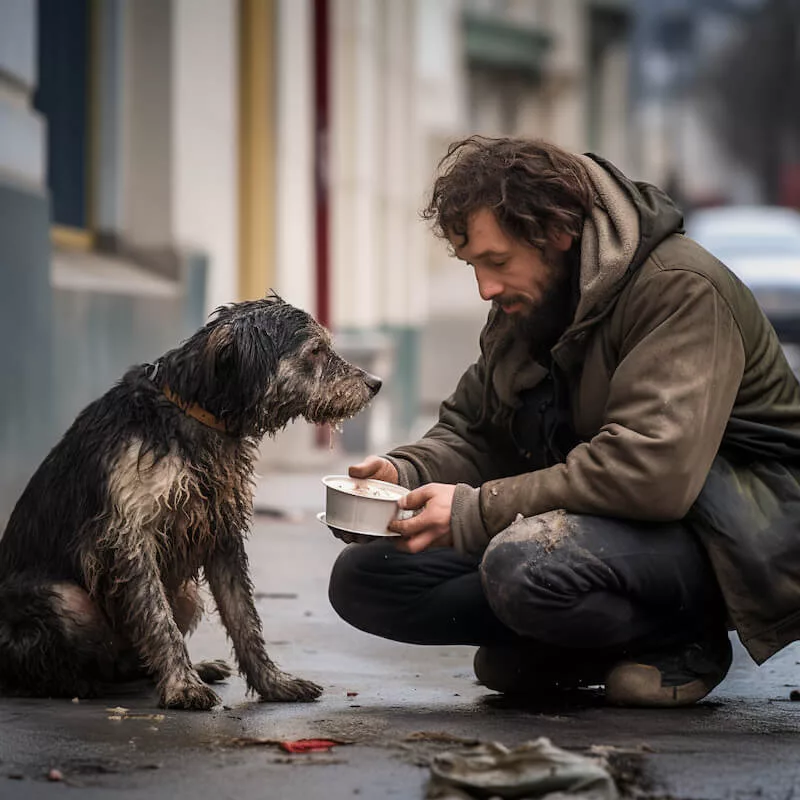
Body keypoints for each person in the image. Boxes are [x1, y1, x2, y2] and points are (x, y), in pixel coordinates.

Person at [328, 136, 800, 707]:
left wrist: (475, 512)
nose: (486, 287)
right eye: (473, 264)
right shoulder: (530, 300)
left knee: (524, 565)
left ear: (557, 233)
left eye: (497, 262)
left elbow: (651, 473)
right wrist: (403, 477)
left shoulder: (679, 289)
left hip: (736, 532)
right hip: (611, 525)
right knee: (367, 576)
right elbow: (474, 429)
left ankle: (680, 639)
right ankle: (567, 644)